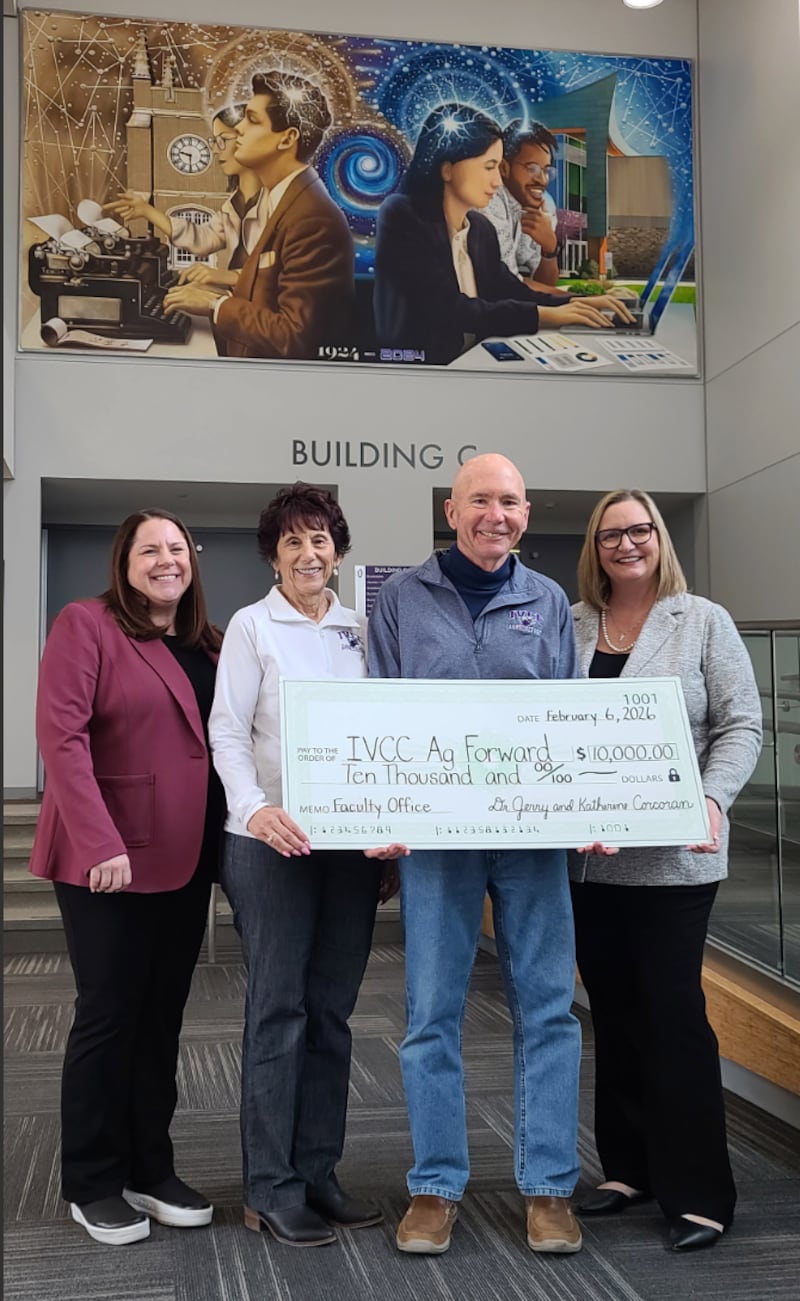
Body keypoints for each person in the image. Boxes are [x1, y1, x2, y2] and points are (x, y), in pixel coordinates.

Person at [368, 452, 585, 1257]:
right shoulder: (402, 597)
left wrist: (589, 801)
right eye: (481, 500)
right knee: (429, 1013)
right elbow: (380, 713)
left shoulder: (549, 599)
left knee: (548, 1008)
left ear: (526, 514)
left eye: (512, 502)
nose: (497, 514)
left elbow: (568, 719)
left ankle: (549, 1186)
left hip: (531, 838)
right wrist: (387, 812)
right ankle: (434, 1185)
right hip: (437, 839)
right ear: (452, 510)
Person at [570, 489, 762, 1252]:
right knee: (610, 1012)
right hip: (591, 863)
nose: (627, 543)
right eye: (611, 533)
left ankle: (698, 1191)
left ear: (659, 538)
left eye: (639, 529)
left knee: (673, 1014)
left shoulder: (702, 620)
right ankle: (629, 1168)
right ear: (596, 546)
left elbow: (742, 721)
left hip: (678, 859)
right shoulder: (575, 623)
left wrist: (712, 799)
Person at [208, 484, 398, 1248]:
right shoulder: (255, 627)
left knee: (332, 1012)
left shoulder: (363, 630)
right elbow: (226, 732)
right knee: (278, 1011)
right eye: (292, 542)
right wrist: (255, 807)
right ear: (273, 555)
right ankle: (270, 1186)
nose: (308, 554)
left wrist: (389, 823)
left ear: (339, 550)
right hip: (270, 845)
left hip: (349, 848)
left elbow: (389, 734)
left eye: (320, 539)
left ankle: (318, 1171)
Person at [29, 510, 225, 1246]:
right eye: (151, 549)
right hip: (105, 858)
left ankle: (150, 1165)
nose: (167, 560)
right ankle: (91, 1178)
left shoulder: (207, 642)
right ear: (125, 560)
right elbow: (63, 737)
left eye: (178, 547)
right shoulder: (86, 625)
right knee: (109, 1015)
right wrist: (98, 839)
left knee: (161, 1019)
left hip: (183, 855)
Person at [373, 103, 633, 366]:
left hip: (477, 360)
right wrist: (547, 315)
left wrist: (581, 302)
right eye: (489, 166)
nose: (497, 181)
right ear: (448, 168)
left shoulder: (479, 229)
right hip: (426, 373)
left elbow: (511, 290)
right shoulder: (401, 215)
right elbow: (449, 308)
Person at [163, 72, 354, 360]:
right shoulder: (279, 199)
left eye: (252, 119)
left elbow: (293, 335)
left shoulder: (312, 218)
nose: (238, 128)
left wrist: (216, 305)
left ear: (287, 138)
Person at [105, 104, 267, 287]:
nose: (215, 150)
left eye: (223, 140)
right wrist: (147, 211)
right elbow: (204, 238)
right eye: (214, 141)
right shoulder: (234, 203)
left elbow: (281, 273)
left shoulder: (278, 202)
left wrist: (225, 281)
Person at [483, 121, 562, 290]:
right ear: (504, 167)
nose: (542, 180)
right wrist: (576, 300)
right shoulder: (489, 200)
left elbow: (545, 285)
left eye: (546, 170)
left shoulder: (544, 206)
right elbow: (507, 285)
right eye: (531, 168)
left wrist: (550, 249)